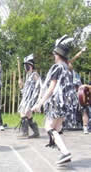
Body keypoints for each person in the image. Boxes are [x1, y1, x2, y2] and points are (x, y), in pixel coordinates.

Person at [32, 35, 78, 165]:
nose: (54, 56)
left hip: (57, 102)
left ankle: (65, 152)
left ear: (58, 54)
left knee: (49, 126)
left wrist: (39, 103)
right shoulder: (67, 69)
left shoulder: (57, 67)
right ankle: (63, 153)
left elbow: (51, 88)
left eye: (54, 54)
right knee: (56, 128)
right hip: (65, 103)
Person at [17, 54, 41, 138]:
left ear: (30, 66)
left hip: (31, 99)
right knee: (28, 115)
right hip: (27, 99)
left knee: (23, 113)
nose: (25, 67)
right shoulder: (28, 76)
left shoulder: (35, 74)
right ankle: (36, 132)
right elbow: (26, 90)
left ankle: (25, 133)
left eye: (26, 65)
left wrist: (37, 98)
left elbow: (40, 86)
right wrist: (21, 85)